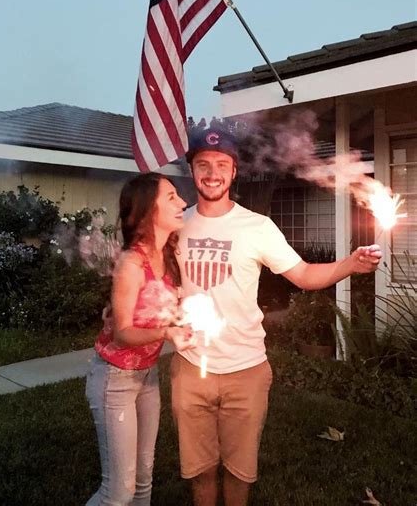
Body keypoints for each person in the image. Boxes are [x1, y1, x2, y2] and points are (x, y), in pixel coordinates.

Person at [171, 127, 382, 506]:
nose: (212, 173)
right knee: (200, 472)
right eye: (203, 164)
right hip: (190, 368)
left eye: (222, 165)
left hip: (245, 370)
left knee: (238, 473)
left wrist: (350, 264)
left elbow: (302, 275)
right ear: (192, 170)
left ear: (233, 172)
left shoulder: (257, 226)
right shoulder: (175, 225)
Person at [85, 172, 193, 506]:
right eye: (172, 197)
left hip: (147, 377)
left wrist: (188, 320)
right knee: (118, 492)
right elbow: (123, 332)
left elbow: (166, 308)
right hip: (114, 380)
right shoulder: (132, 263)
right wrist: (166, 332)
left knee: (144, 479)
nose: (183, 203)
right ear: (148, 211)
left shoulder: (169, 255)